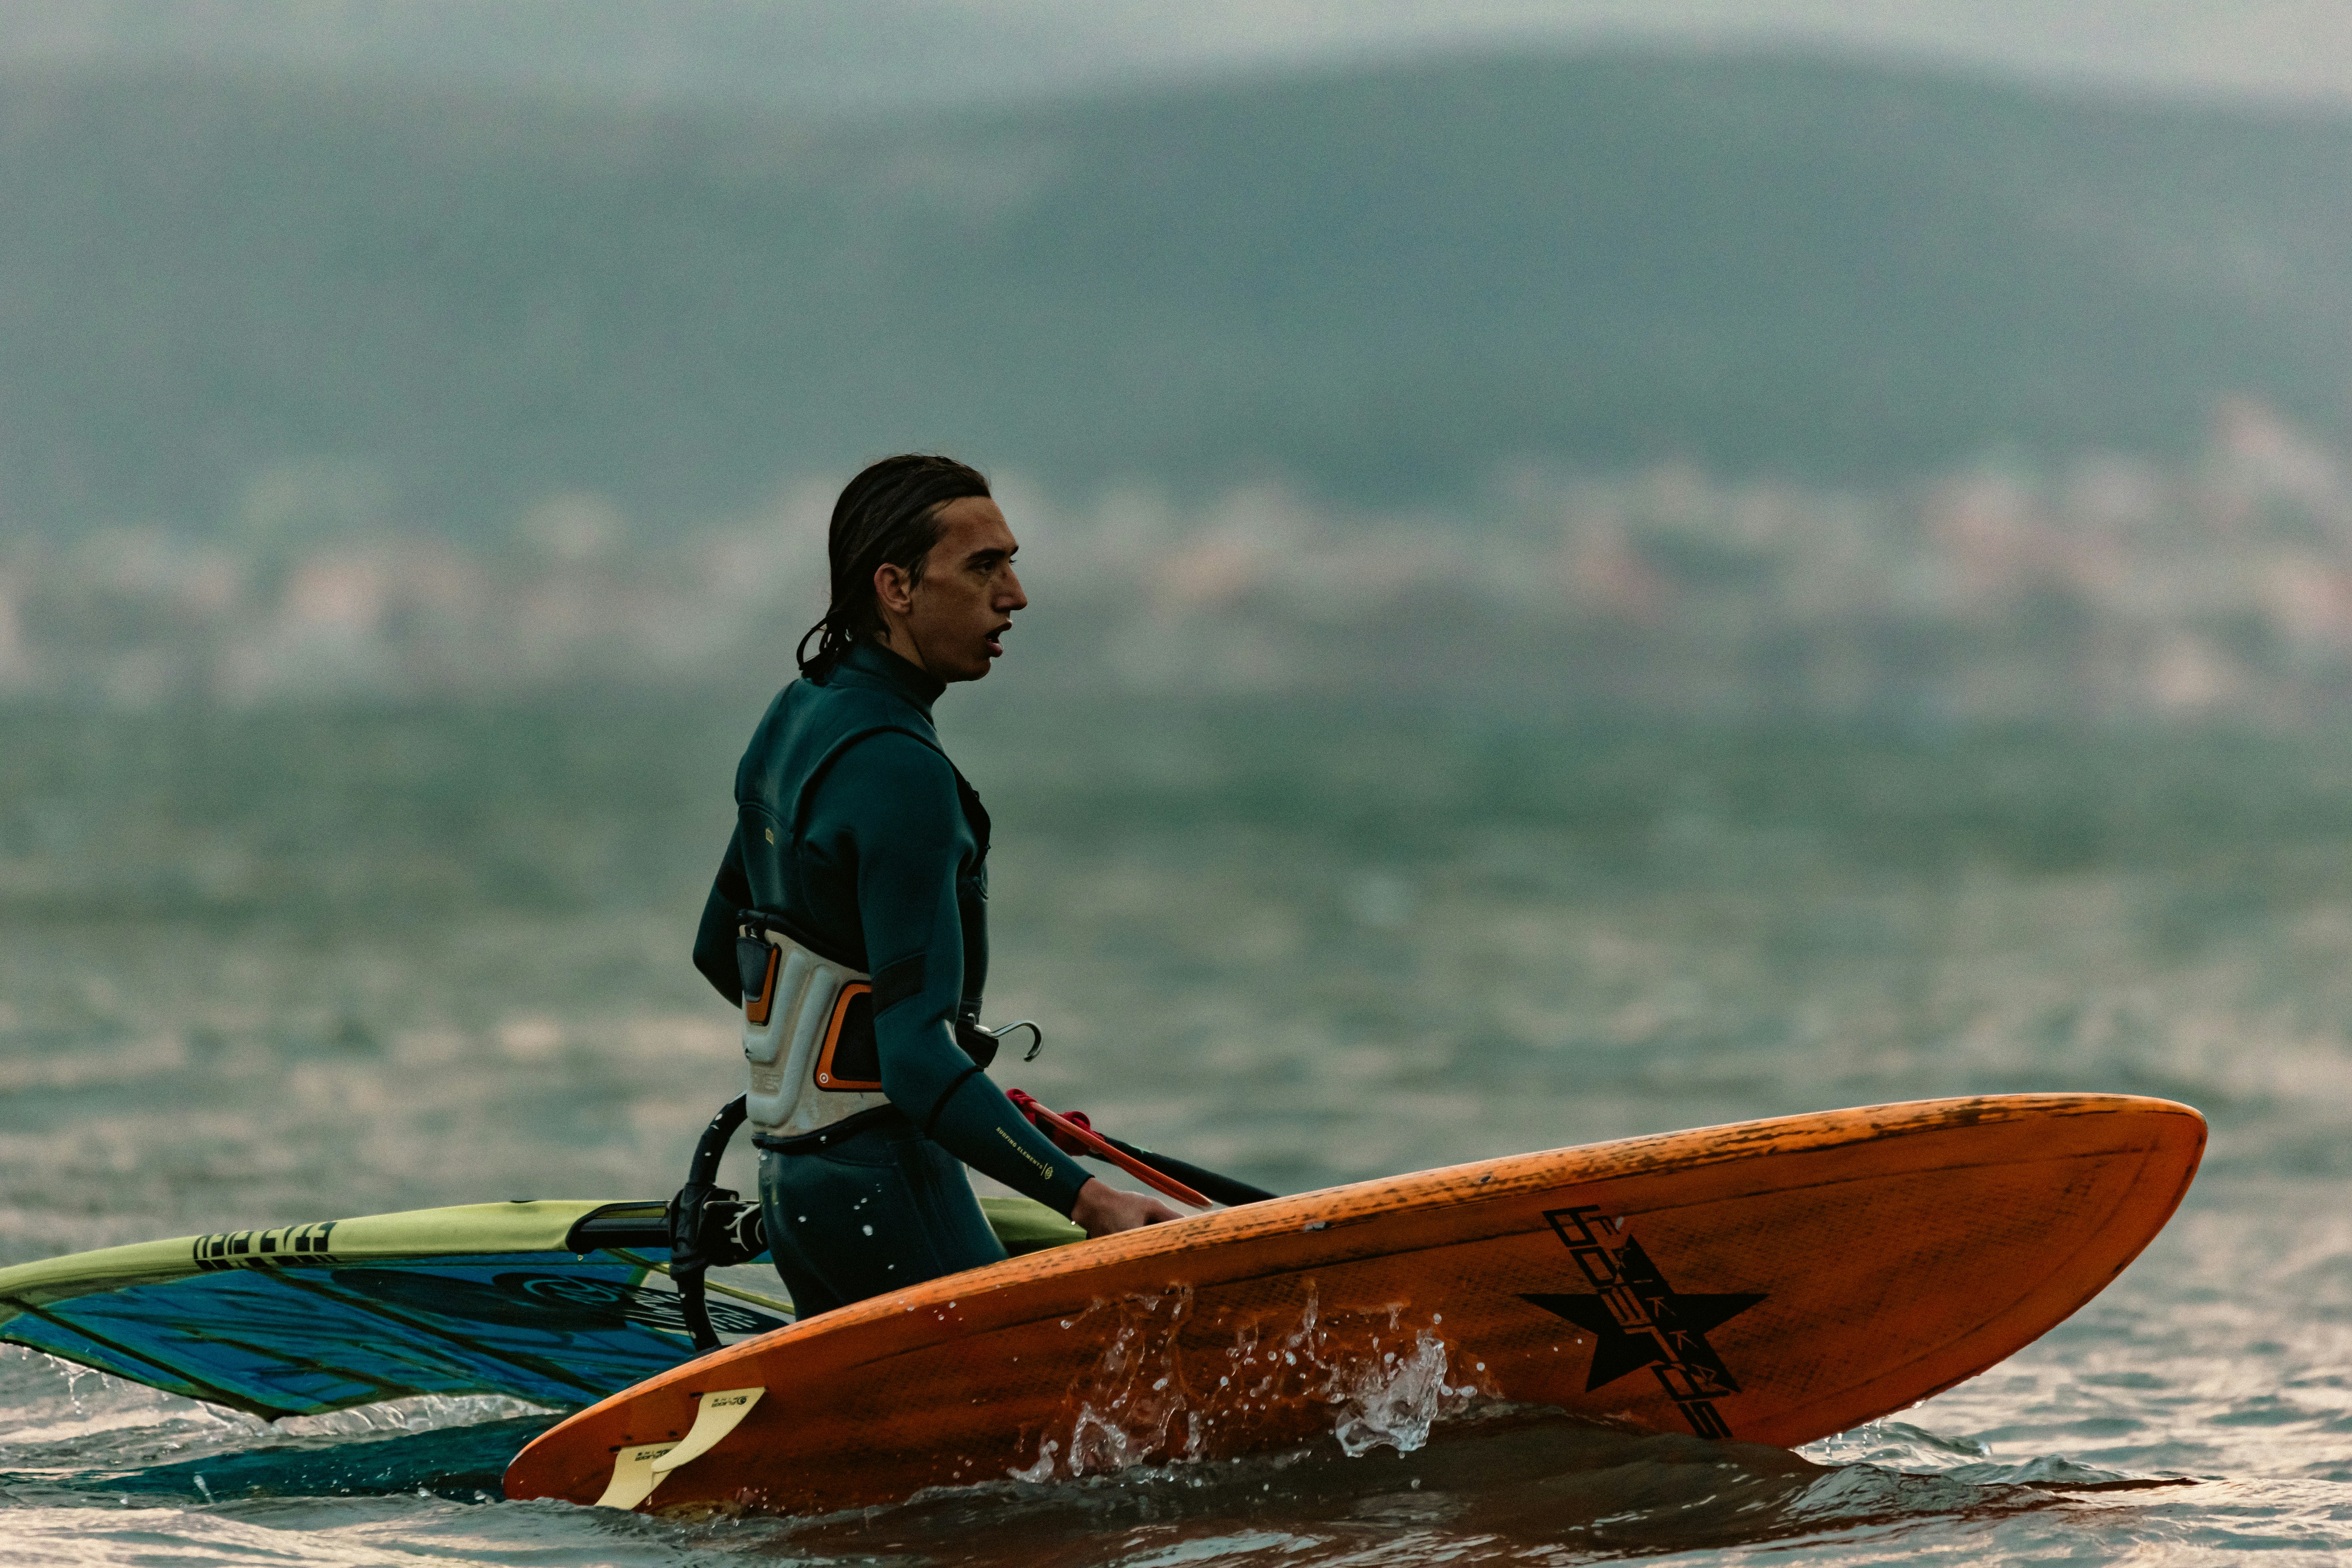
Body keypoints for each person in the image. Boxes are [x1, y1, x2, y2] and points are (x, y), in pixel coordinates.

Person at [692, 453, 1179, 1317]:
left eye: (1012, 563)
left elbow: (721, 948)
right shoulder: (901, 773)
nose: (1015, 595)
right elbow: (915, 1060)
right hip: (889, 1185)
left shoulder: (794, 714)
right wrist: (1088, 1199)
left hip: (798, 1186)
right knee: (1044, 1444)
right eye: (983, 567)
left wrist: (876, 1078)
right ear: (896, 587)